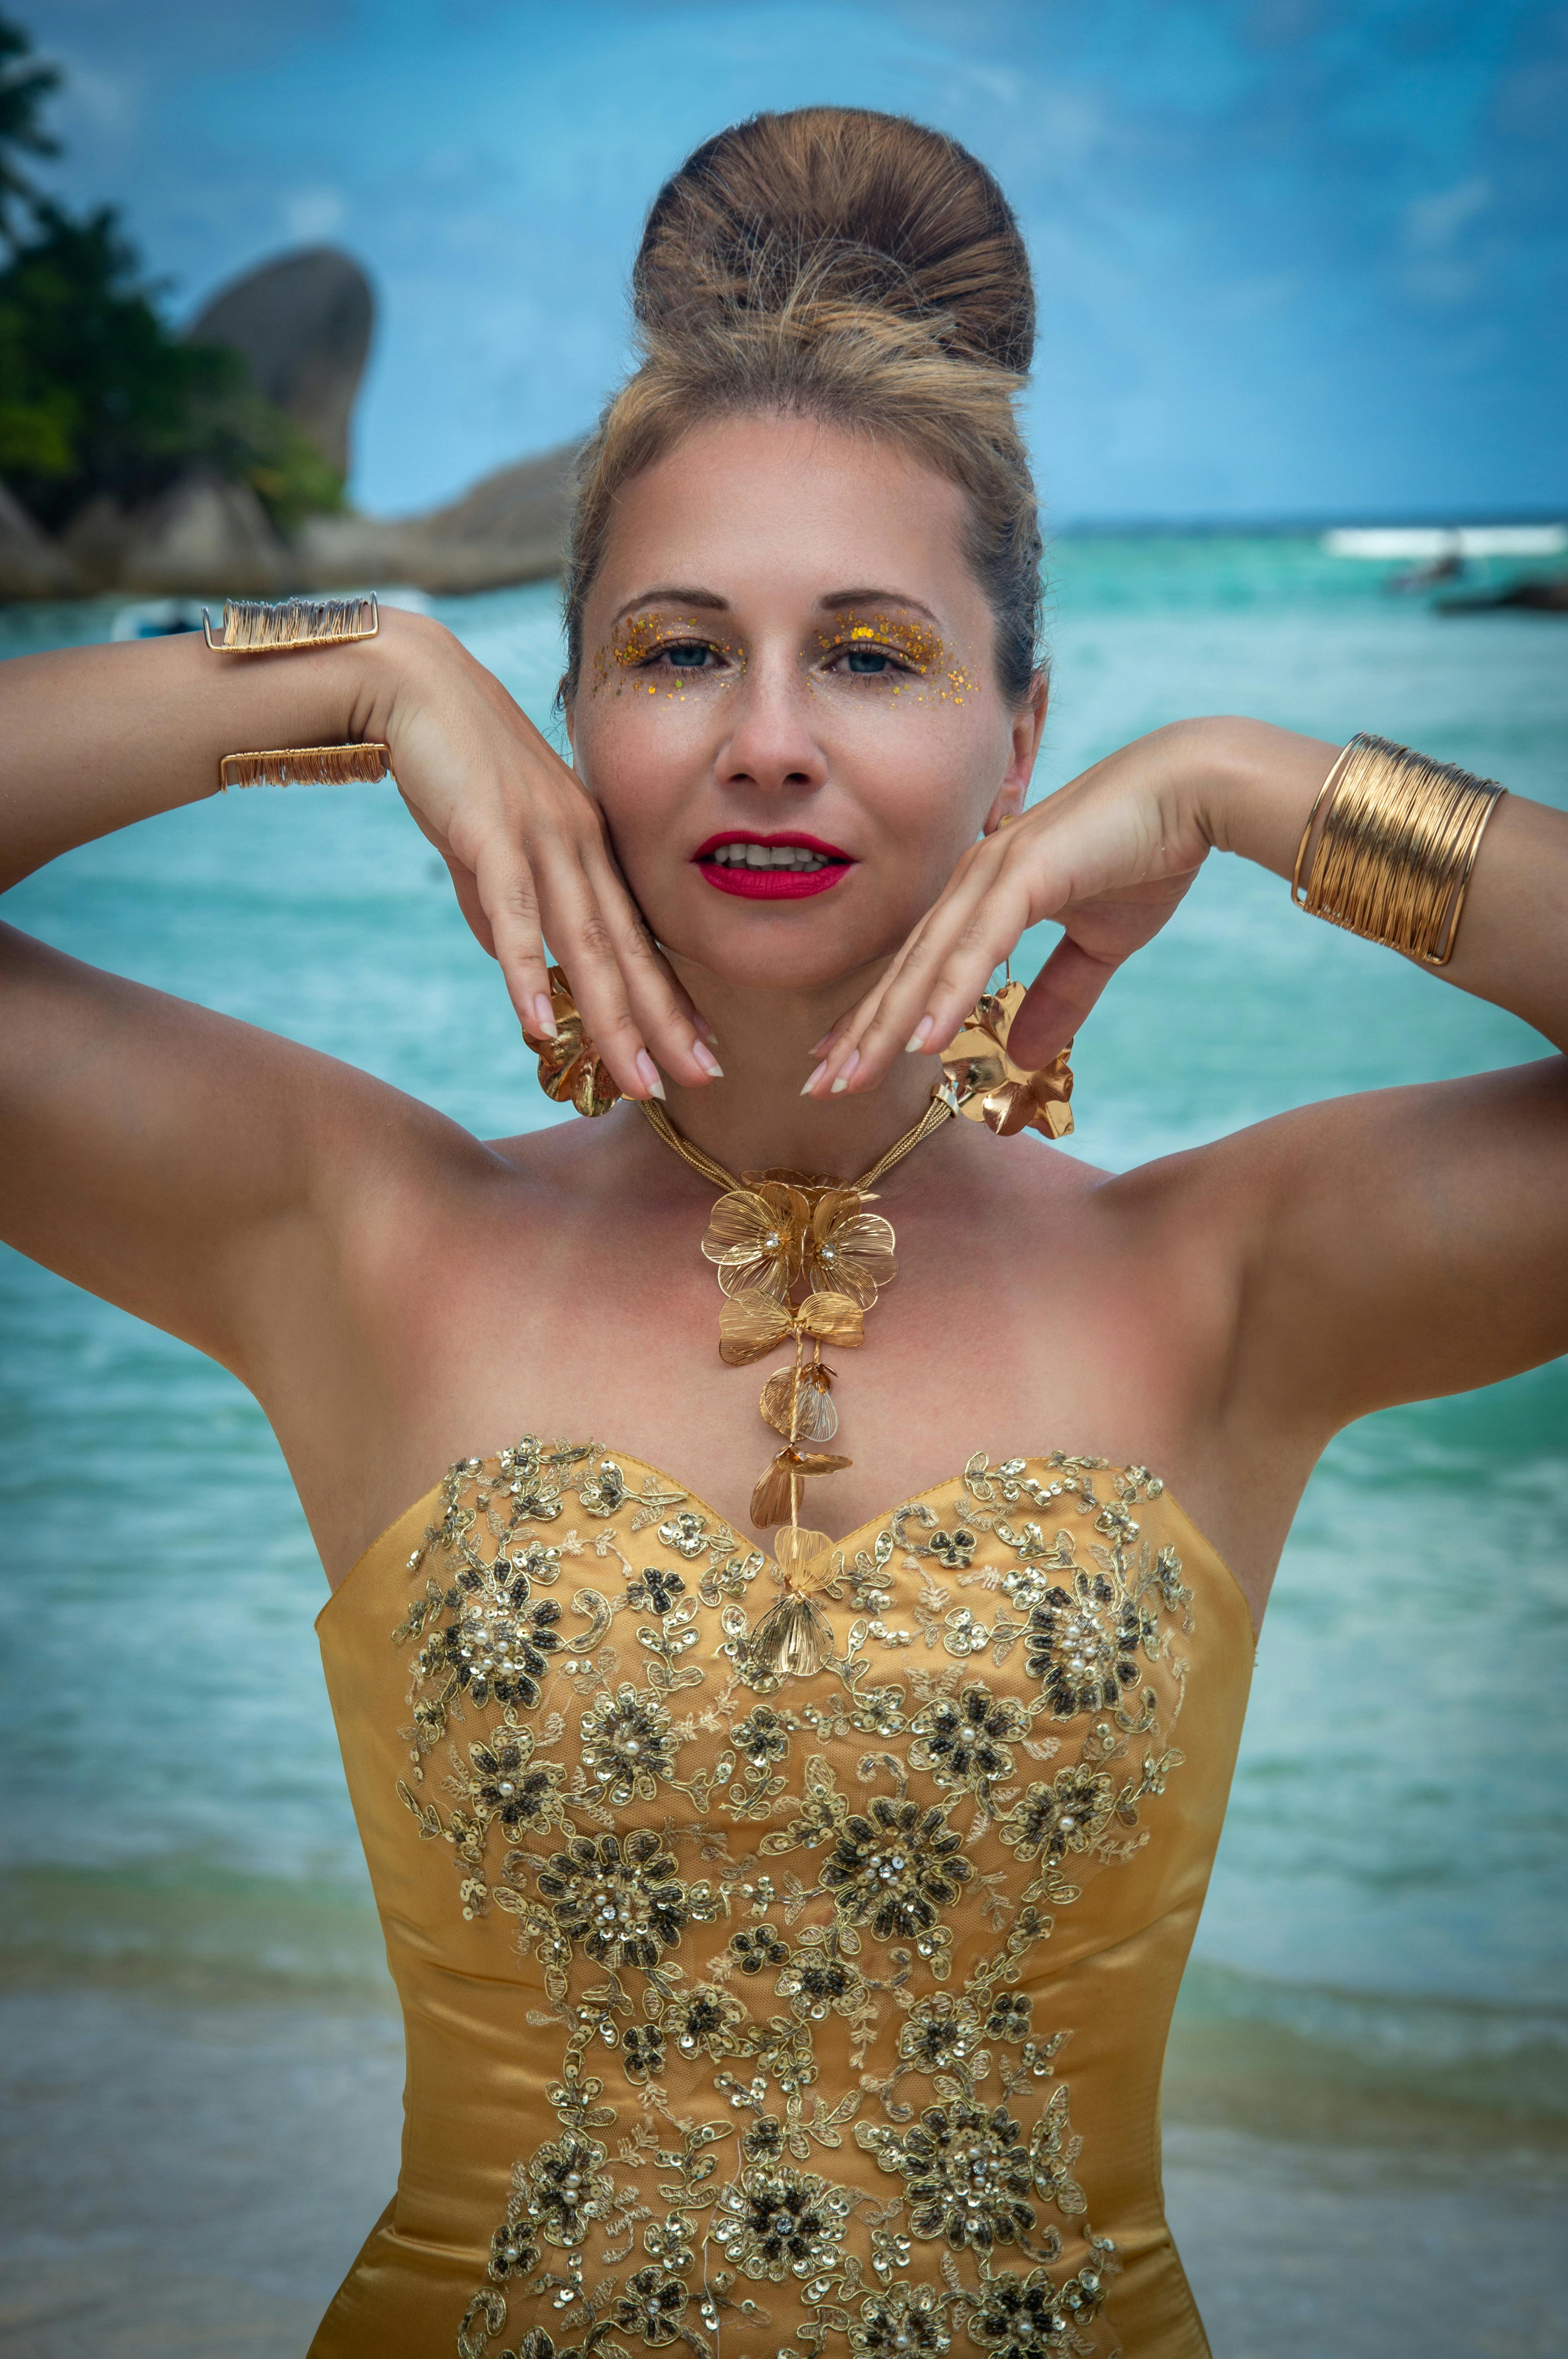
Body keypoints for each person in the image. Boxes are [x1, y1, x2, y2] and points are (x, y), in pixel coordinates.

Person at [1, 105, 1563, 2359]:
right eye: (672, 652)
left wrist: (1271, 787)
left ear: (1026, 740)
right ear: (559, 734)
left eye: (869, 655)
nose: (765, 742)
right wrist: (333, 678)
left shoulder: (1222, 1283)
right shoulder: (352, 1238)